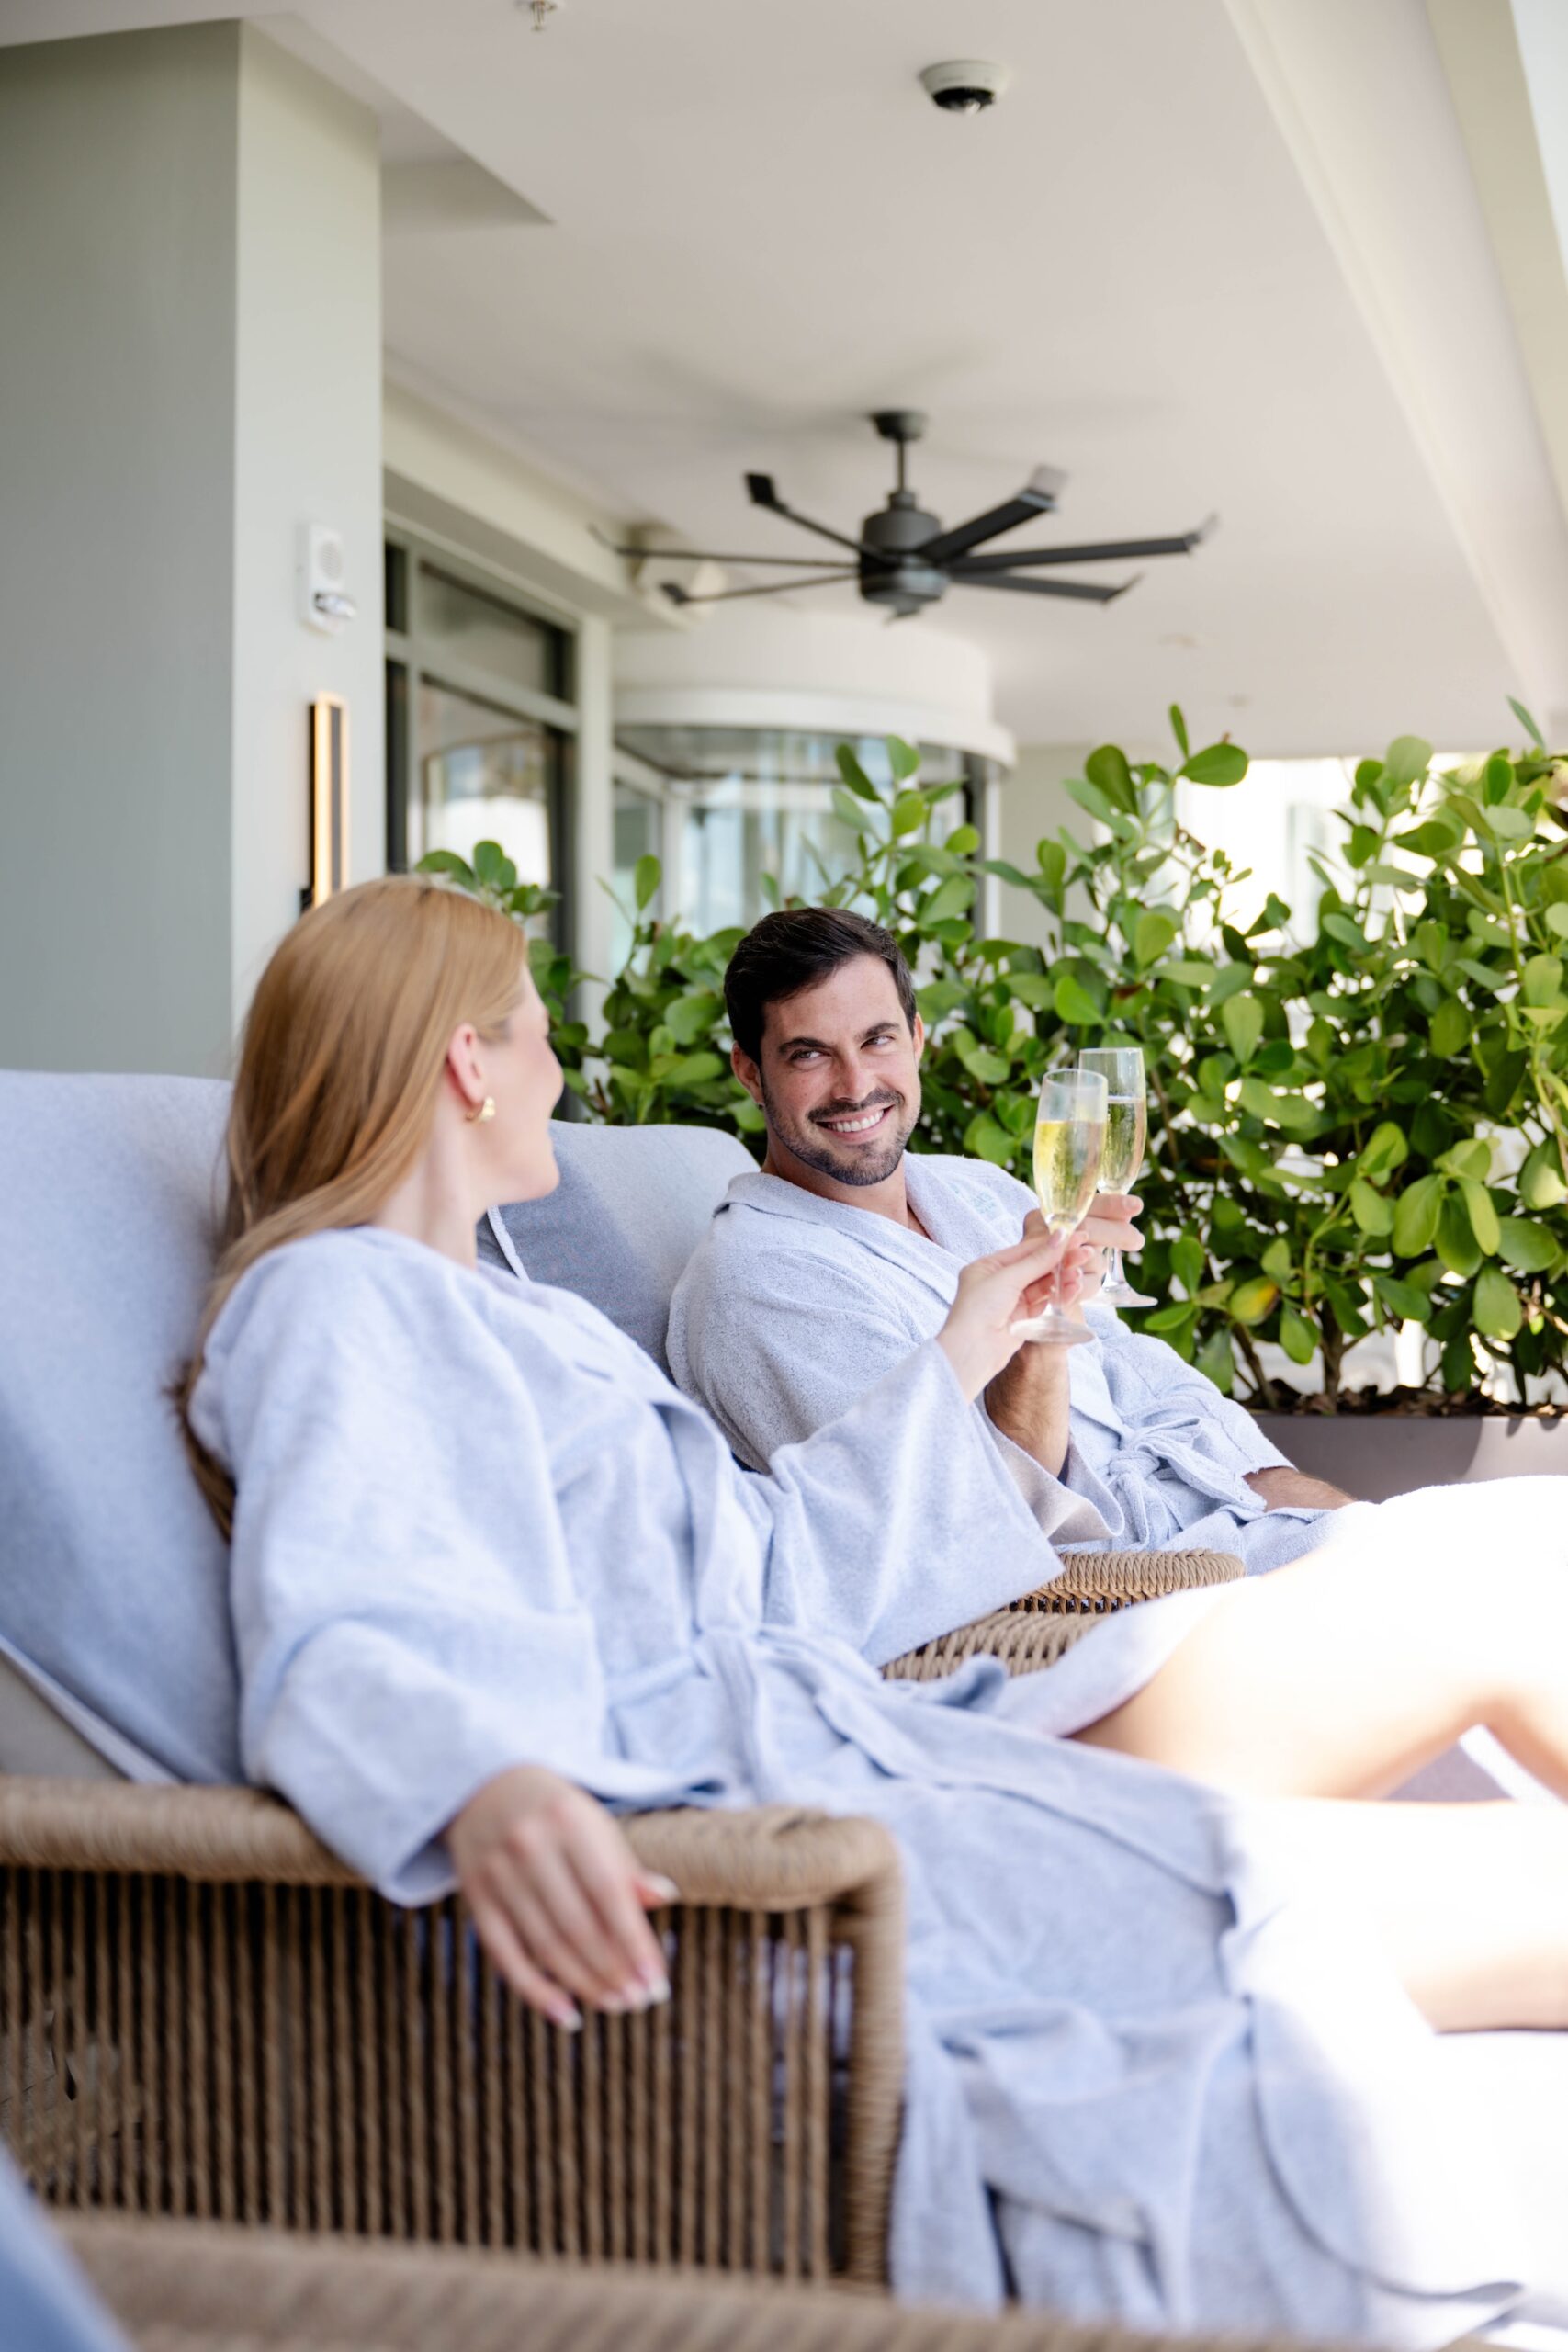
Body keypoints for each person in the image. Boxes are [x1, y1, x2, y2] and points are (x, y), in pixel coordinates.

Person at [177, 876, 1568, 2345]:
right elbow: (336, 1622)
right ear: (466, 1063)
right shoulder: (334, 1301)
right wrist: (480, 1779)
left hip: (864, 1749)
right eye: (531, 1030)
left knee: (1498, 1637)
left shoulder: (492, 1315)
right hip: (788, 1830)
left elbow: (776, 1563)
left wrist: (969, 1341)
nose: (559, 1071)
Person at [668, 906, 1354, 1569]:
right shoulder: (759, 1282)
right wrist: (1042, 1324)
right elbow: (954, 1531)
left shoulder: (976, 1190)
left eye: (876, 1040)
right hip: (1105, 1593)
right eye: (809, 1054)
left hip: (1219, 1514)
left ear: (916, 1039)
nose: (856, 1086)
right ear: (750, 1073)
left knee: (1432, 1549)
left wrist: (1258, 1476)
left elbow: (1125, 1358)